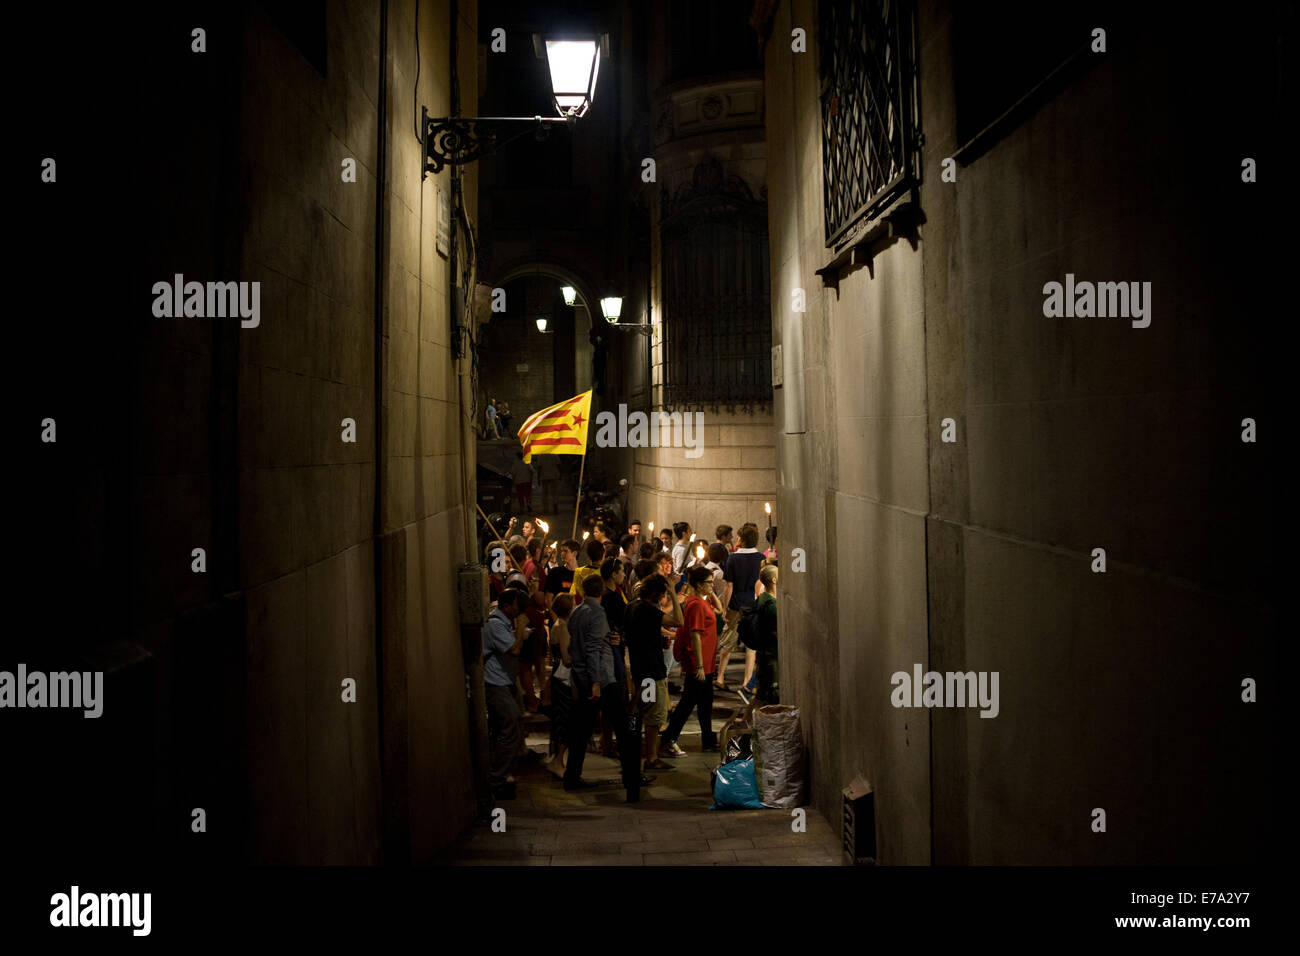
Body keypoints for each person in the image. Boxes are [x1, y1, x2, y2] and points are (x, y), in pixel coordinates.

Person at [565, 576, 652, 800]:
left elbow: (578, 645)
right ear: (602, 590)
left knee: (580, 732)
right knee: (625, 734)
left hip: (582, 679)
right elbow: (593, 649)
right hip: (602, 682)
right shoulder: (597, 613)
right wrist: (596, 682)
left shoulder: (576, 612)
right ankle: (632, 785)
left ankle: (572, 777)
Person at [660, 565, 724, 757]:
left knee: (705, 703)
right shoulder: (695, 604)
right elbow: (695, 635)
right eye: (709, 582)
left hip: (706, 662)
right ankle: (668, 740)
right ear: (698, 584)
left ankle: (707, 739)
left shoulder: (701, 601)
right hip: (699, 663)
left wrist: (710, 592)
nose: (712, 585)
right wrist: (700, 665)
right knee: (688, 703)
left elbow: (719, 610)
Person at [626, 573, 683, 773]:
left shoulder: (632, 607)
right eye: (663, 594)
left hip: (638, 667)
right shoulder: (649, 611)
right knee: (652, 713)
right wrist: (675, 595)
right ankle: (651, 757)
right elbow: (678, 620)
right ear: (657, 594)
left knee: (641, 708)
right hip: (651, 672)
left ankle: (638, 751)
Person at [482, 587, 528, 799]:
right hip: (495, 683)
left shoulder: (504, 622)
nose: (520, 610)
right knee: (510, 725)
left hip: (505, 681)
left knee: (512, 725)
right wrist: (521, 632)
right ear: (507, 606)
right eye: (518, 605)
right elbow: (515, 649)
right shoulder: (495, 624)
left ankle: (501, 774)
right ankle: (496, 778)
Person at [717, 525, 764, 691]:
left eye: (738, 538)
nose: (736, 540)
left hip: (736, 604)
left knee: (728, 642)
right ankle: (746, 681)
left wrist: (724, 608)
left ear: (742, 540)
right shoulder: (760, 558)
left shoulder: (733, 558)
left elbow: (729, 585)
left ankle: (720, 676)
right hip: (753, 604)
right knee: (751, 646)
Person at [545, 594, 575, 777]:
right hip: (564, 678)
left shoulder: (556, 624)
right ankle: (558, 761)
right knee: (565, 721)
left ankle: (558, 759)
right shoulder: (562, 627)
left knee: (561, 720)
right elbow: (566, 658)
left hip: (558, 676)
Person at [753, 565, 779, 703]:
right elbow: (777, 632)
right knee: (771, 693)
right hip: (770, 655)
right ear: (774, 580)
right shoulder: (772, 605)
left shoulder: (762, 598)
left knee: (761, 694)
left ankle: (749, 720)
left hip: (763, 653)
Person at [544, 539, 579, 613]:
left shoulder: (580, 574)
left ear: (574, 554)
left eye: (565, 551)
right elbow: (548, 599)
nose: (562, 553)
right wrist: (556, 620)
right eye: (562, 551)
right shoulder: (555, 572)